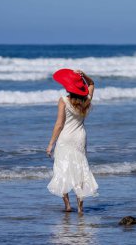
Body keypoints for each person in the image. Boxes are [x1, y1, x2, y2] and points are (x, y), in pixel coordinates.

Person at [46, 68, 98, 213]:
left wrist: (51, 144)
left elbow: (59, 125)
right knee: (80, 170)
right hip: (80, 137)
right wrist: (85, 75)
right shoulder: (87, 100)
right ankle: (81, 208)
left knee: (63, 169)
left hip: (65, 138)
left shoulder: (63, 100)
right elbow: (92, 83)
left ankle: (68, 206)